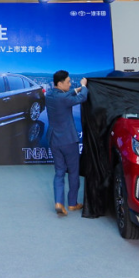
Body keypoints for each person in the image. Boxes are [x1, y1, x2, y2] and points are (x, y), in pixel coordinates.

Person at [45, 70, 87, 216]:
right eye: (68, 82)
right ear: (60, 83)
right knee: (73, 172)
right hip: (68, 140)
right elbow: (82, 98)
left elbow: (66, 95)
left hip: (54, 139)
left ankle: (58, 202)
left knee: (59, 172)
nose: (70, 84)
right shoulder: (63, 99)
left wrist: (76, 89)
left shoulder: (49, 94)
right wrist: (84, 86)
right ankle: (72, 203)